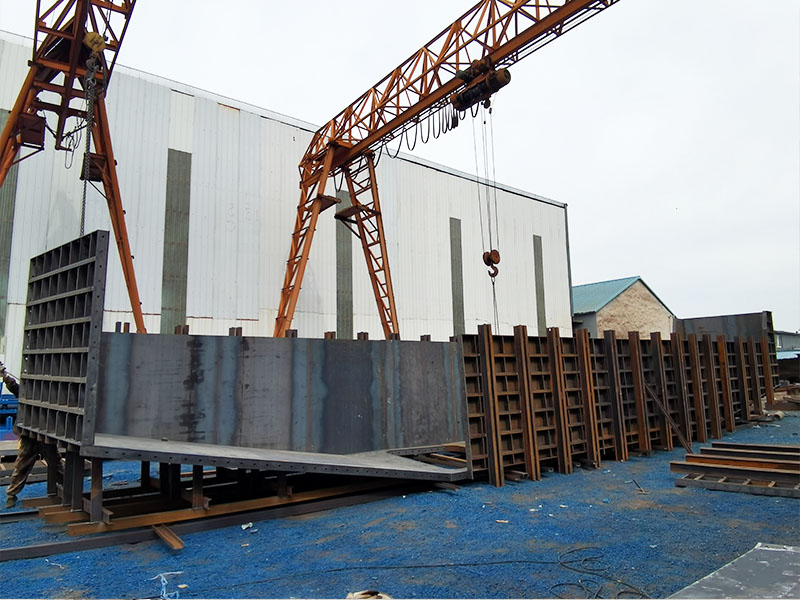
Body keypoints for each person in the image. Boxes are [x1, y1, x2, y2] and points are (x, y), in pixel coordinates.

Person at [1, 361, 47, 509]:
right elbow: (13, 386)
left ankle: (67, 490)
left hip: (45, 433)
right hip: (29, 434)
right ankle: (11, 495)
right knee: (22, 466)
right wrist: (4, 375)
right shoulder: (26, 391)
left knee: (56, 464)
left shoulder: (49, 393)